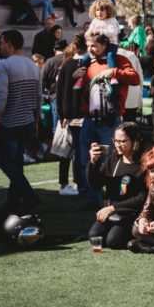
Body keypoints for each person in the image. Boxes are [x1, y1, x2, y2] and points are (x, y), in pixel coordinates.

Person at [76, 31, 141, 208]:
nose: (89, 49)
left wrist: (114, 72)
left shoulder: (118, 59)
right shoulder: (88, 62)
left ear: (104, 45)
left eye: (93, 46)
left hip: (110, 121)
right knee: (86, 160)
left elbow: (135, 79)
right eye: (88, 45)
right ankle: (93, 198)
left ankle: (112, 199)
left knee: (111, 161)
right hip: (90, 120)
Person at [0, 30, 43, 217]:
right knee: (17, 164)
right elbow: (39, 98)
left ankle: (29, 196)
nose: (0, 46)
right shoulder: (33, 66)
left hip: (11, 122)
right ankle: (13, 202)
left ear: (10, 43)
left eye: (2, 42)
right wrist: (36, 122)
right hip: (27, 121)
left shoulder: (5, 65)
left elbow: (1, 95)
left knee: (7, 164)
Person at [85, 122, 147, 249]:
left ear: (135, 141)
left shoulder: (143, 165)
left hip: (130, 213)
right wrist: (93, 162)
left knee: (114, 241)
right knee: (94, 236)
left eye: (123, 141)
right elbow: (95, 184)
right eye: (115, 140)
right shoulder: (113, 160)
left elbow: (141, 199)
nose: (118, 145)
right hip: (111, 212)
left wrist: (114, 208)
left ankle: (137, 238)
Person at [55, 36, 88, 197]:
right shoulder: (87, 65)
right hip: (82, 114)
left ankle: (64, 183)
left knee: (65, 151)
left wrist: (61, 114)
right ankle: (80, 183)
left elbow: (59, 91)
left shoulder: (66, 64)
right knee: (80, 151)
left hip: (67, 114)